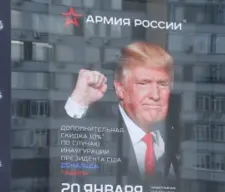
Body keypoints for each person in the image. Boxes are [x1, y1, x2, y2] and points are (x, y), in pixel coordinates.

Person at [64, 41, 180, 180]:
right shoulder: (101, 131)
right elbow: (63, 163)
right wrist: (78, 102)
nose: (155, 95)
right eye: (143, 83)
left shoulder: (176, 137)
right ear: (120, 88)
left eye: (162, 84)